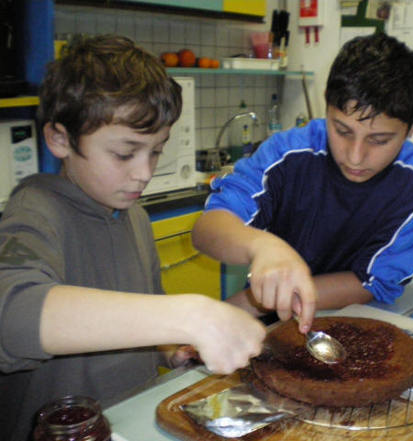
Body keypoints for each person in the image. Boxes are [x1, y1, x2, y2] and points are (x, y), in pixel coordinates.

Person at [0, 35, 265, 441]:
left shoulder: (134, 216)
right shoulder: (35, 211)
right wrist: (189, 315)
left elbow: (145, 310)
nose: (144, 172)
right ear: (60, 139)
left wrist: (166, 347)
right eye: (125, 153)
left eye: (155, 152)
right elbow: (11, 316)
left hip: (133, 424)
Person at [192, 33, 413, 334]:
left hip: (356, 318)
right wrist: (262, 246)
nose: (355, 157)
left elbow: (374, 281)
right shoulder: (286, 153)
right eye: (342, 130)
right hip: (273, 317)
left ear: (412, 127)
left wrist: (250, 303)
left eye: (379, 140)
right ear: (327, 106)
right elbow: (207, 230)